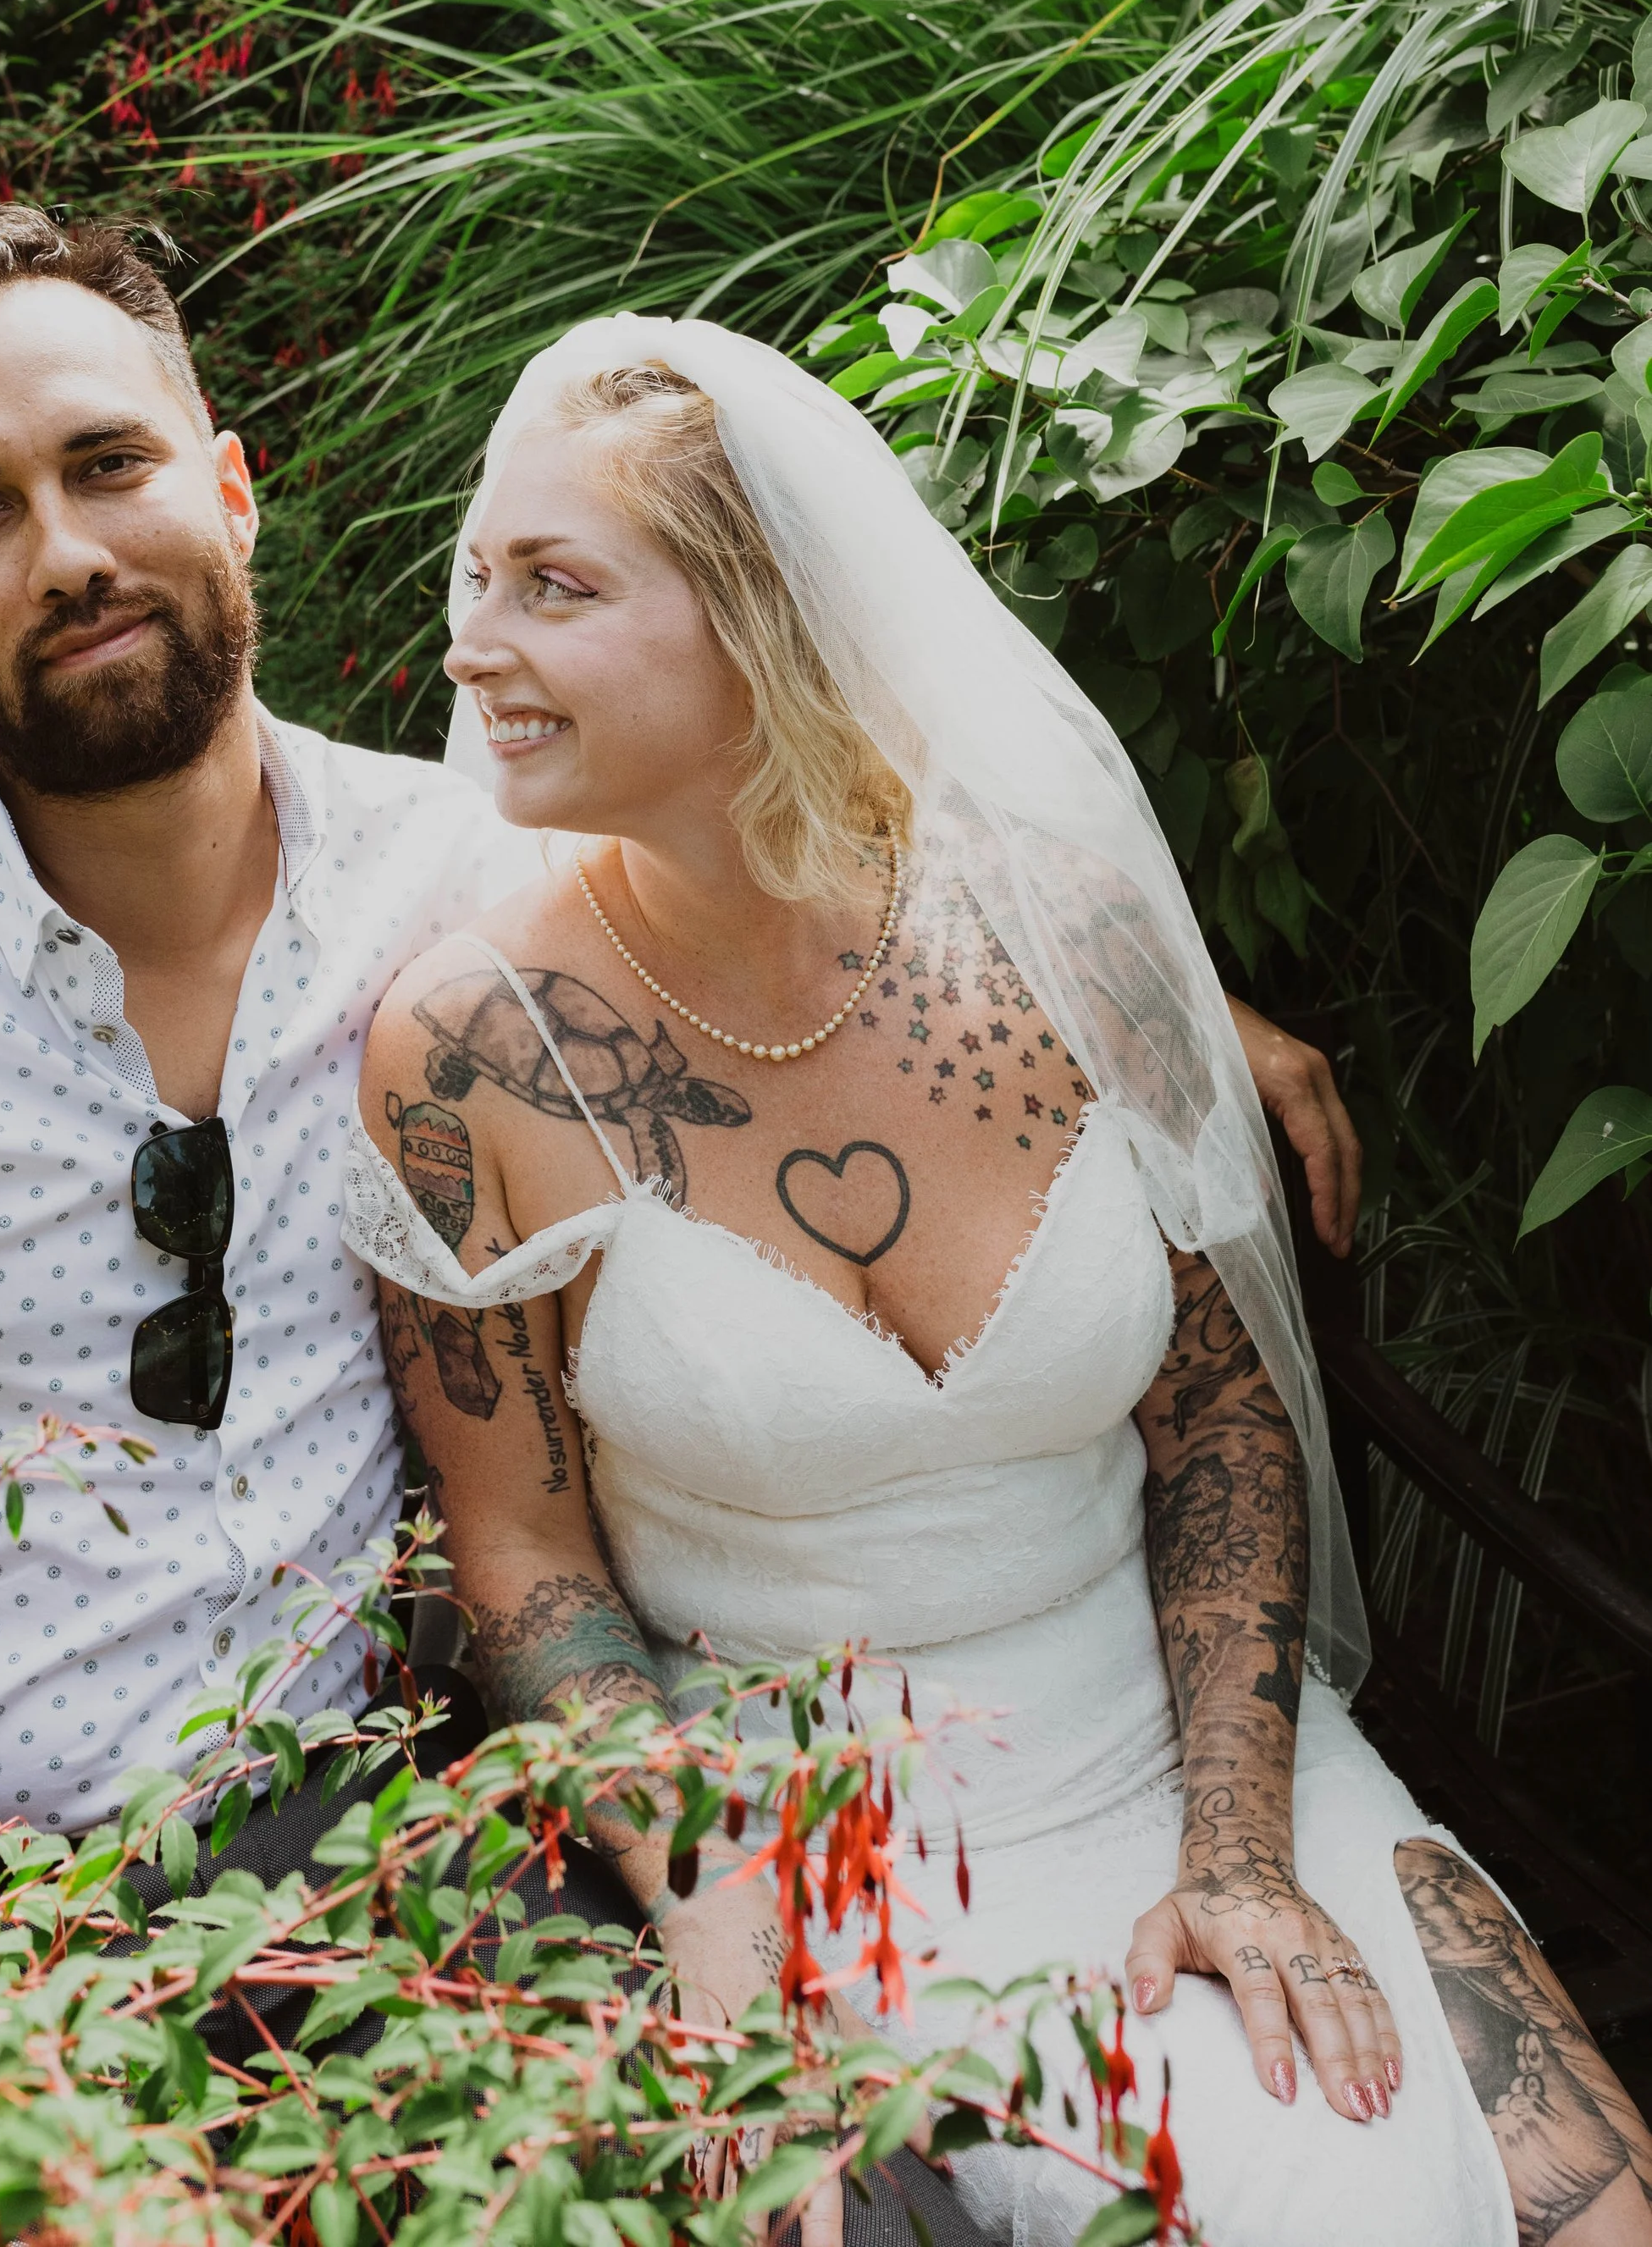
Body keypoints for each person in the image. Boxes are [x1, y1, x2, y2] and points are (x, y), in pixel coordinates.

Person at [0, 208, 1351, 1924]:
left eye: (109, 464)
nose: (68, 552)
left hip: (407, 1848)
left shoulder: (477, 878)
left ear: (228, 491)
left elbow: (823, 888)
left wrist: (1168, 1014)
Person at [346, 314, 1652, 2247]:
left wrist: (1236, 1851)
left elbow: (1215, 1407)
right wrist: (706, 1901)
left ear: (759, 623)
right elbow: (521, 1550)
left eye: (551, 586)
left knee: (1583, 2209)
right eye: (480, 579)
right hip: (834, 1836)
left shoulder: (1064, 934)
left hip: (1189, 1738)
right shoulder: (470, 1056)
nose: (471, 648)